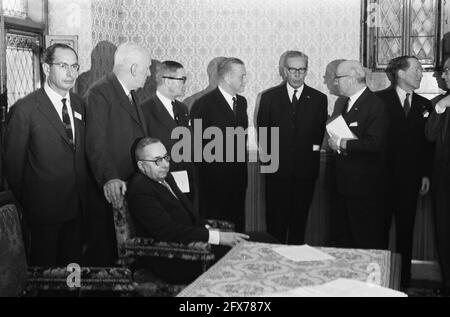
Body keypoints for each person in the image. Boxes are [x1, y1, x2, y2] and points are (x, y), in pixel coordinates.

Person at [4, 43, 87, 266]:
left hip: (77, 210)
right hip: (43, 214)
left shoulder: (80, 105)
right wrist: (32, 203)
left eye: (74, 66)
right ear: (45, 68)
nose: (71, 73)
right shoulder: (25, 109)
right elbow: (13, 167)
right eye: (62, 65)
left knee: (73, 271)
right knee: (46, 274)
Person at [127, 137, 250, 283]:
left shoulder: (166, 177)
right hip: (177, 259)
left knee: (260, 241)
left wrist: (212, 231)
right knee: (249, 252)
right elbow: (169, 231)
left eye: (166, 157)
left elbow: (190, 214)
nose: (165, 164)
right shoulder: (140, 189)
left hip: (197, 245)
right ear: (141, 166)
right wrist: (218, 238)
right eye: (157, 161)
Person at [84, 42, 151, 265]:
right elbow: (96, 143)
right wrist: (110, 177)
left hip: (132, 185)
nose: (149, 74)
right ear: (133, 68)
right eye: (147, 68)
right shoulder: (99, 93)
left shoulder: (130, 94)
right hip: (111, 190)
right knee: (106, 256)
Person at [257, 50, 328, 244]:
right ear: (284, 71)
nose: (297, 74)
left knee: (299, 223)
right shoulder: (268, 97)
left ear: (307, 71)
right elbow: (264, 134)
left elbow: (318, 134)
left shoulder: (319, 99)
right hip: (276, 172)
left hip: (306, 172)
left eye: (302, 70)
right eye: (293, 69)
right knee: (275, 224)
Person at [376, 56, 433, 289]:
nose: (421, 74)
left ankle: (403, 282)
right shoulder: (379, 101)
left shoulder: (424, 106)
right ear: (400, 73)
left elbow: (428, 146)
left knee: (406, 233)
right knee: (379, 232)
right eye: (417, 70)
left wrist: (425, 174)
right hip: (381, 181)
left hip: (410, 182)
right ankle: (378, 281)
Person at [328, 60, 389, 249]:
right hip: (344, 186)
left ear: (353, 78)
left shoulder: (375, 104)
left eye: (338, 78)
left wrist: (341, 143)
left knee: (364, 240)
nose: (336, 82)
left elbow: (374, 143)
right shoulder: (344, 103)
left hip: (364, 189)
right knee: (344, 240)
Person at [191, 58, 248, 232]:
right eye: (242, 76)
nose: (245, 80)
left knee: (237, 226)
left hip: (238, 179)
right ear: (228, 77)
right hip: (213, 183)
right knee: (216, 229)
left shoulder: (242, 102)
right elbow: (196, 146)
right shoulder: (203, 104)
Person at [140, 61, 196, 204]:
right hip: (162, 182)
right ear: (167, 81)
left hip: (187, 180)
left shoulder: (183, 109)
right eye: (182, 79)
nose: (184, 83)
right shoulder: (145, 110)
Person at [425, 57, 450, 295]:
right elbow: (431, 136)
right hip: (443, 182)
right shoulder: (438, 103)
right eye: (444, 70)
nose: (444, 75)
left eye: (449, 70)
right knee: (444, 233)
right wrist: (441, 108)